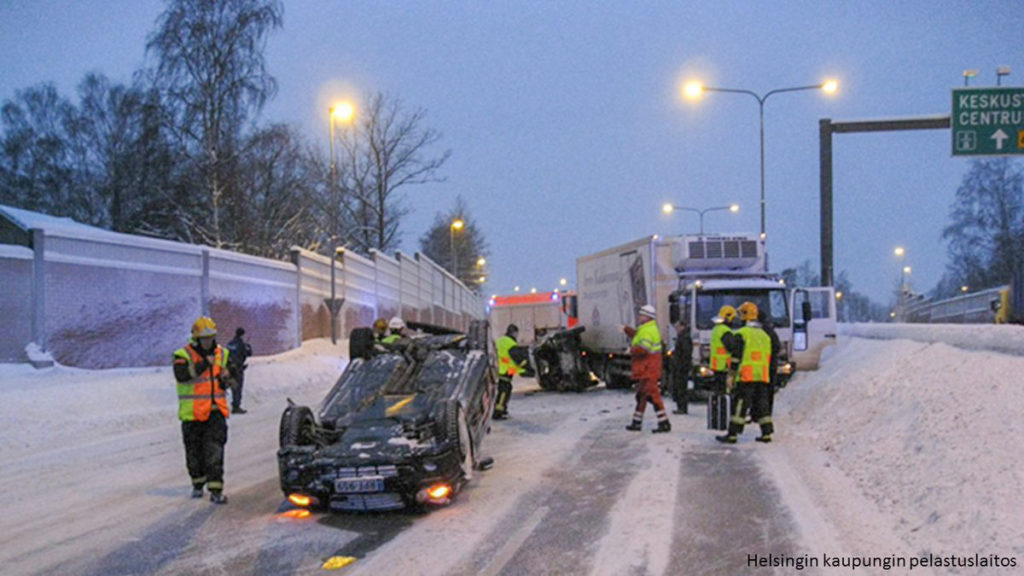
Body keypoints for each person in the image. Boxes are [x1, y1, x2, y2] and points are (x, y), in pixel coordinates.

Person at [173, 316, 232, 504]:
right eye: (204, 338)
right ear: (196, 338)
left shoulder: (222, 354)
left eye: (211, 337)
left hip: (215, 412)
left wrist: (227, 378)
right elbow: (182, 376)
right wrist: (204, 363)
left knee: (215, 451)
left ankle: (216, 489)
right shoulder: (182, 355)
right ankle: (197, 484)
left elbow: (232, 377)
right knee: (194, 452)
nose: (208, 342)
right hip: (192, 415)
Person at [716, 302, 773, 444]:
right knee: (762, 404)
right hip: (762, 375)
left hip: (746, 376)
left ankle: (732, 434)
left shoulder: (743, 333)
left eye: (741, 314)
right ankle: (766, 433)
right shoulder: (765, 335)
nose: (739, 318)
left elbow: (736, 355)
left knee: (740, 405)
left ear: (745, 316)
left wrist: (732, 374)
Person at [624, 304, 671, 433]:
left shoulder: (648, 330)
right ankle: (637, 422)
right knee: (642, 396)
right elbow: (638, 335)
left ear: (647, 317)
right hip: (647, 369)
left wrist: (631, 350)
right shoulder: (647, 329)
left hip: (648, 369)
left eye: (642, 315)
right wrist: (627, 330)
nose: (640, 317)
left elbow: (643, 348)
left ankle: (664, 422)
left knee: (652, 395)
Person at [751, 308, 782, 432]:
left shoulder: (763, 331)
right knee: (766, 392)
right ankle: (763, 415)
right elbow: (777, 347)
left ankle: (759, 415)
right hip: (769, 365)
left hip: (764, 365)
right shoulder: (769, 330)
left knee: (761, 393)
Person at [495, 324, 528, 419]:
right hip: (505, 371)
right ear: (514, 333)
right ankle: (499, 411)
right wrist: (524, 364)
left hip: (498, 368)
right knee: (504, 390)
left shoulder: (500, 340)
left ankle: (501, 410)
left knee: (502, 389)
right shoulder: (511, 343)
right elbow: (516, 357)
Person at [709, 305, 737, 394]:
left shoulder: (716, 329)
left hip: (716, 366)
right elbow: (732, 347)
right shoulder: (725, 331)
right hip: (724, 366)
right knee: (726, 392)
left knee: (718, 392)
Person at [226, 327, 252, 414]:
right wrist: (248, 346)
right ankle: (236, 406)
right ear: (242, 335)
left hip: (229, 368)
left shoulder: (230, 343)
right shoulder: (241, 344)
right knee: (238, 388)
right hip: (237, 369)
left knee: (233, 386)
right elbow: (248, 353)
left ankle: (233, 404)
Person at [670, 318, 693, 415]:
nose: (676, 329)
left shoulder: (684, 338)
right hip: (680, 366)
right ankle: (680, 407)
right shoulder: (682, 336)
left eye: (678, 327)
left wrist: (681, 365)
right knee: (679, 387)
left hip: (681, 367)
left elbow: (685, 353)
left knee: (681, 388)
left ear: (682, 326)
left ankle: (682, 408)